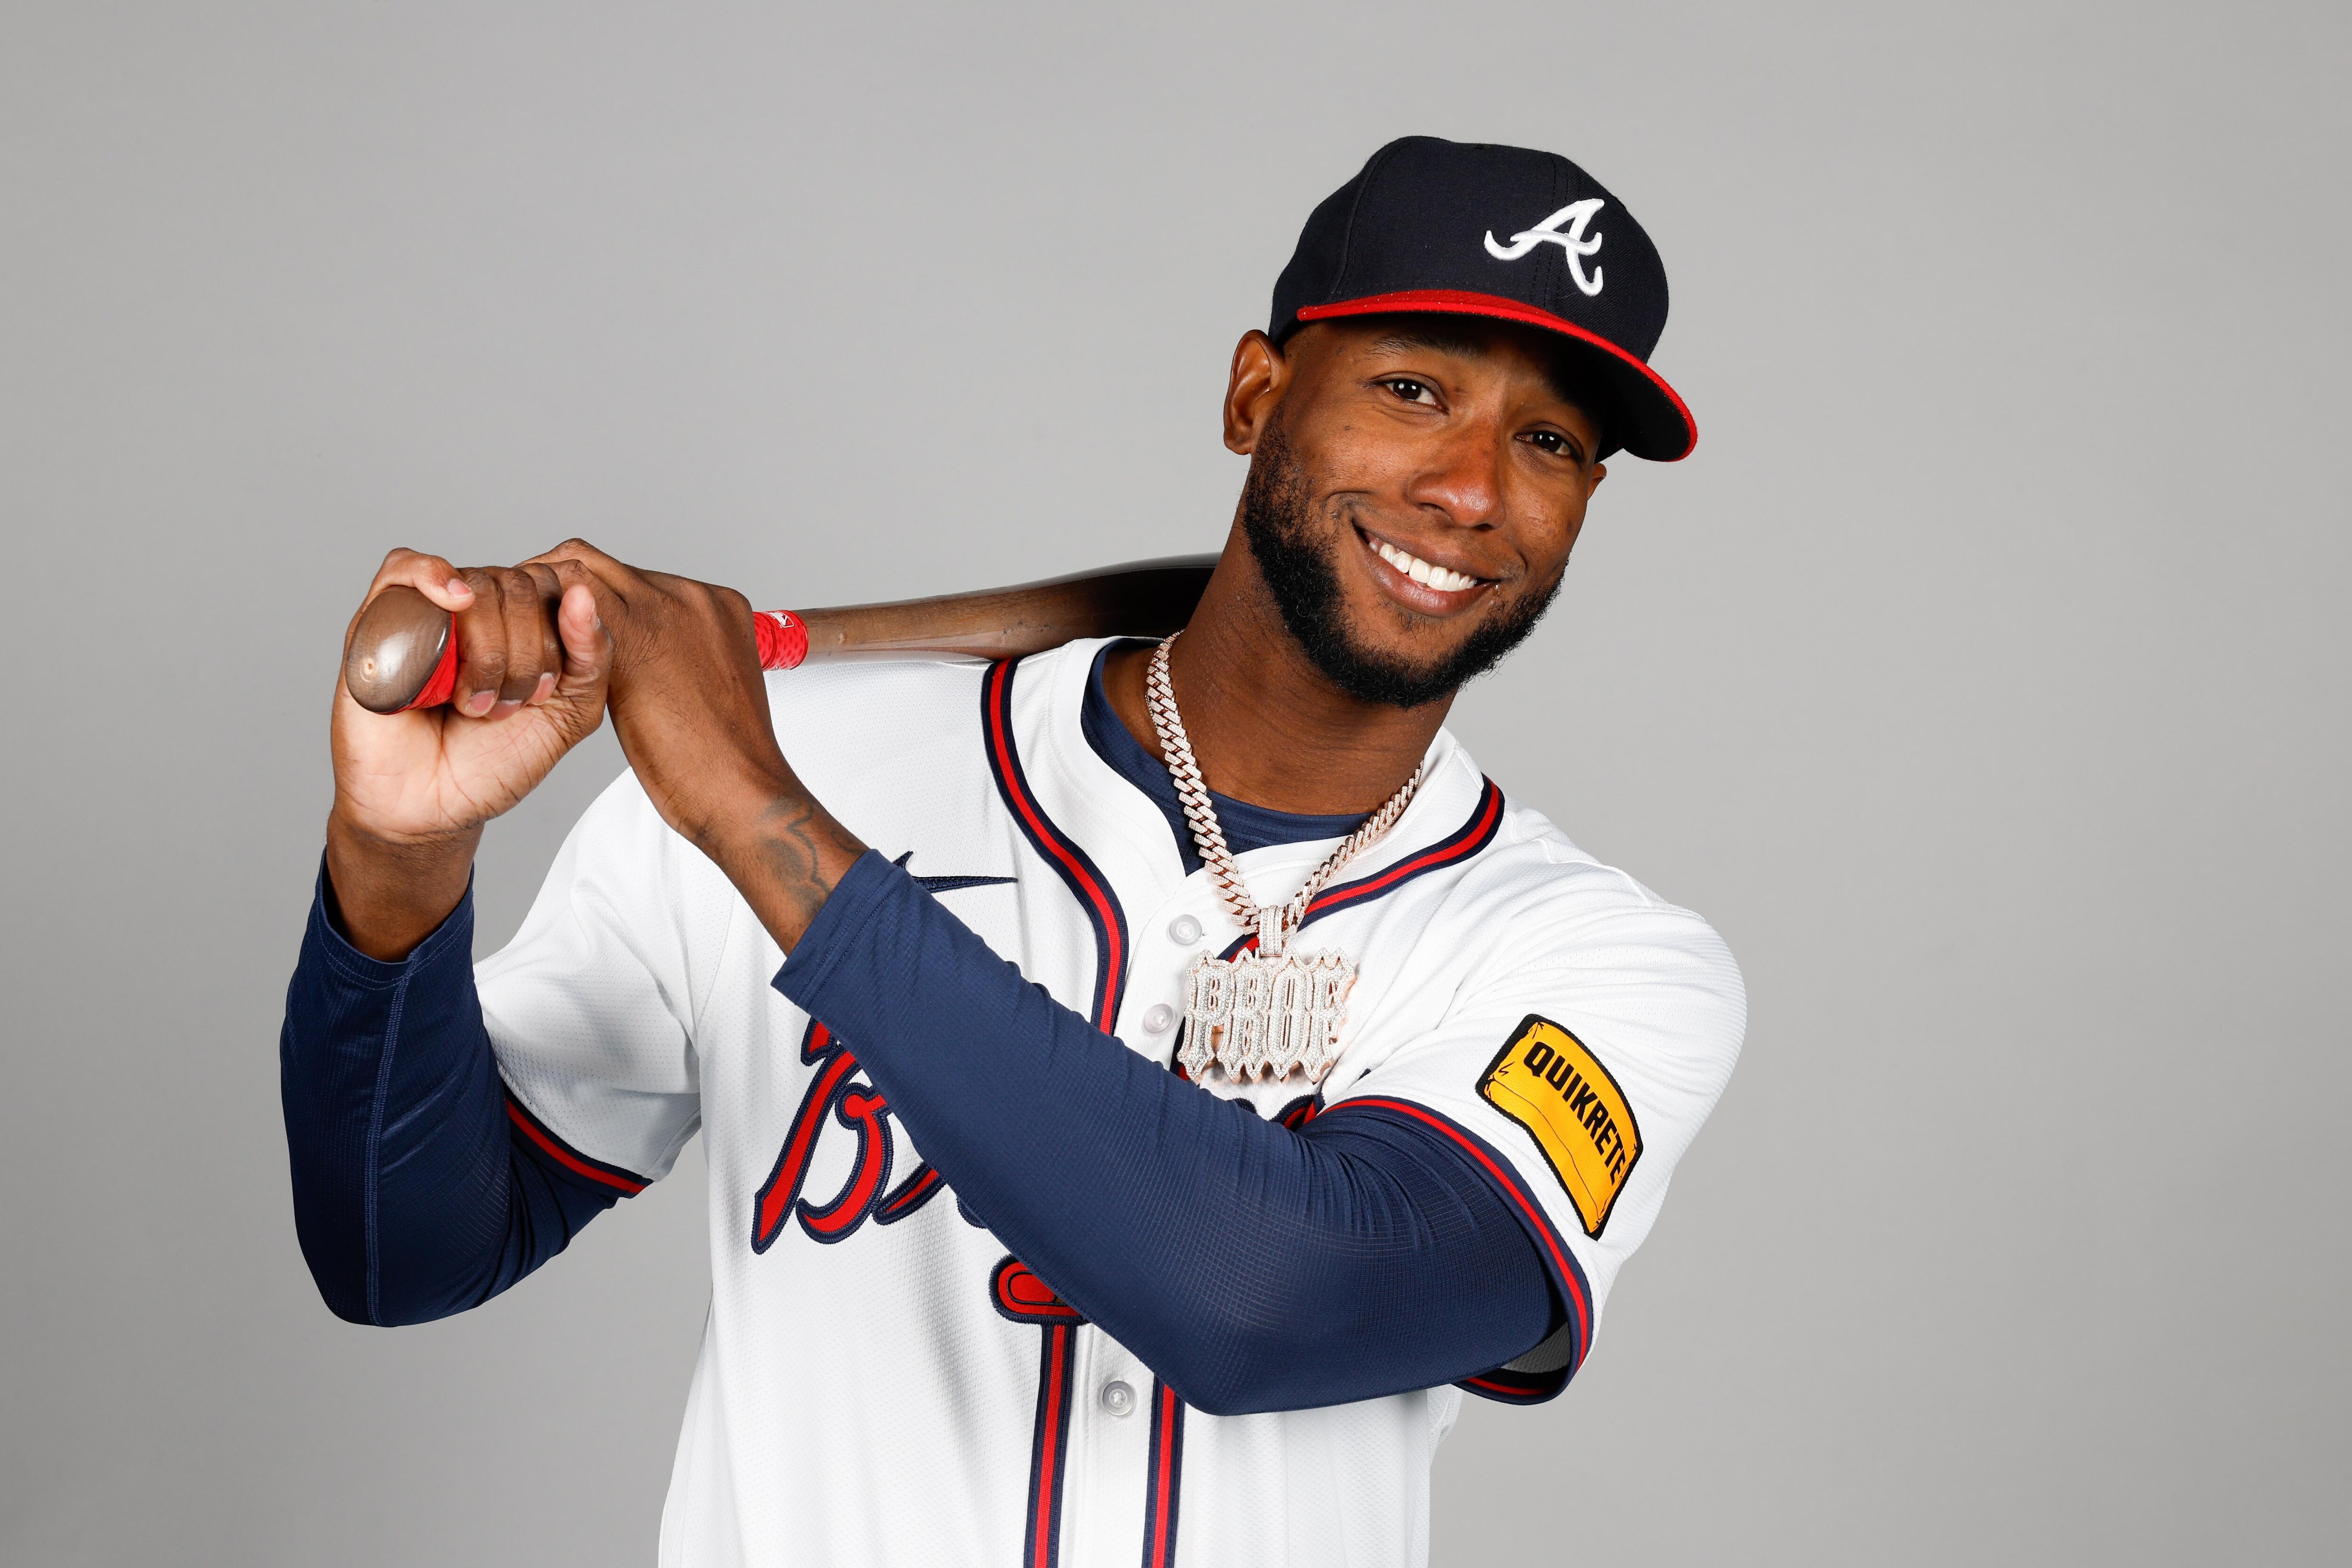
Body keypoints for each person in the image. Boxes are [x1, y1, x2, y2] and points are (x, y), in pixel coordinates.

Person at [281, 135, 1745, 1568]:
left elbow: (1270, 1301)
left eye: (1549, 441)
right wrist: (400, 864)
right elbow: (397, 1252)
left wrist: (755, 814)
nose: (1472, 487)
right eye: (1412, 390)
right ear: (1256, 395)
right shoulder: (821, 757)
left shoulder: (1599, 962)